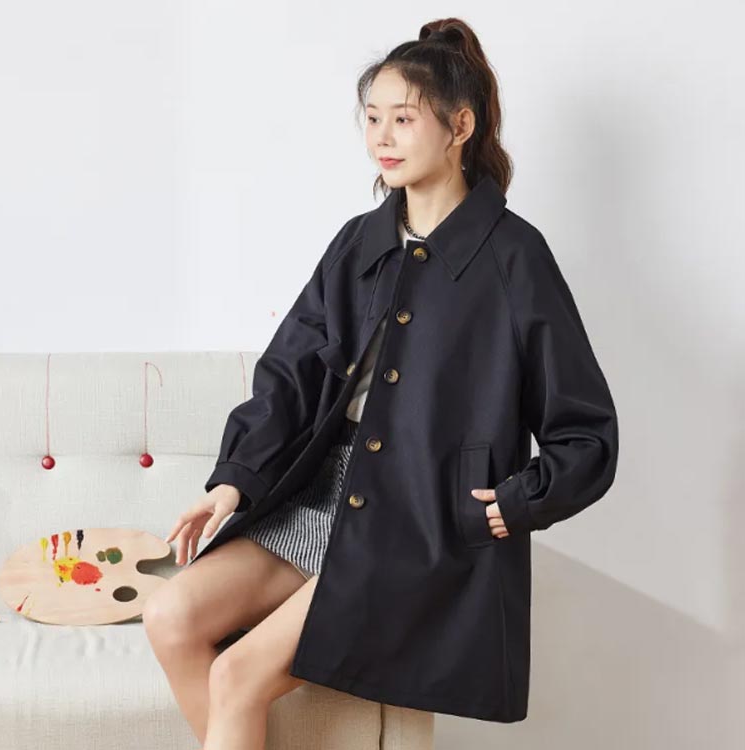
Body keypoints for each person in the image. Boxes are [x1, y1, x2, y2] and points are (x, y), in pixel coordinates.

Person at [143, 17, 616, 748]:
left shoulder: (514, 258)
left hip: (416, 523)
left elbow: (584, 430)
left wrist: (517, 502)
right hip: (321, 494)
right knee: (169, 616)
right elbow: (290, 374)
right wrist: (234, 480)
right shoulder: (359, 242)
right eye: (372, 118)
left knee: (238, 676)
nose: (382, 138)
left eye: (403, 118)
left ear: (460, 126)